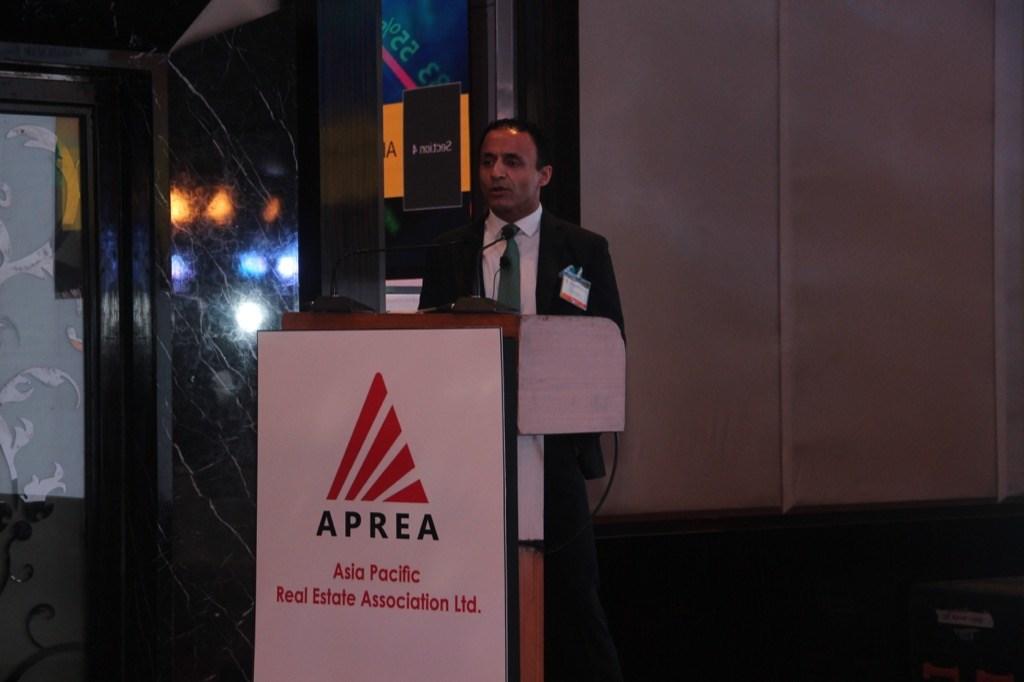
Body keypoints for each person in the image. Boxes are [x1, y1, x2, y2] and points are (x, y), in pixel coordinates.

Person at [419, 118, 624, 681]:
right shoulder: (450, 249)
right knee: (471, 598)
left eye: (512, 162)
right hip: (469, 457)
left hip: (552, 454)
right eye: (488, 161)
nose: (497, 173)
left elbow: (610, 346)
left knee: (573, 606)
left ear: (544, 174)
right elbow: (426, 349)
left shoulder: (583, 249)